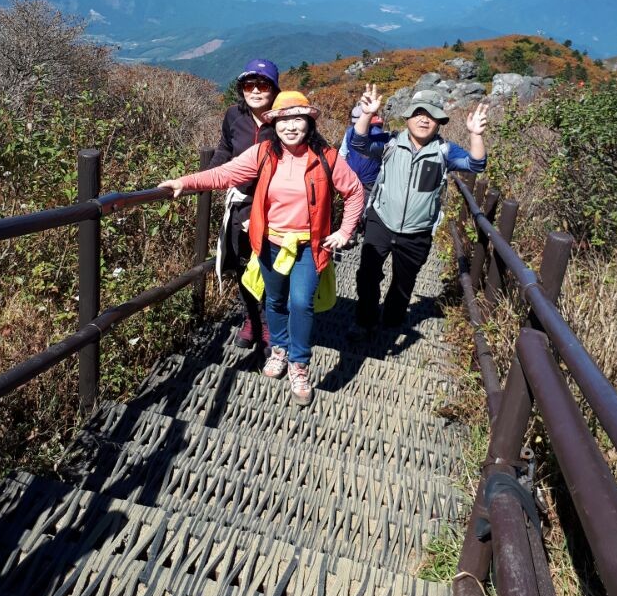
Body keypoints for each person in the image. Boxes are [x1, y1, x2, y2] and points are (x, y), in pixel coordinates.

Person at [159, 90, 364, 406]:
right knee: (275, 300)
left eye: (297, 119)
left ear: (309, 122)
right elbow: (225, 173)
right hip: (270, 243)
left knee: (301, 303)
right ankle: (279, 349)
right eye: (283, 120)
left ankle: (299, 365)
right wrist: (185, 182)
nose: (290, 126)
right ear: (275, 124)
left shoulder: (327, 157)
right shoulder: (264, 153)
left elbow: (354, 192)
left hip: (308, 246)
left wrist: (344, 232)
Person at [350, 84, 488, 337]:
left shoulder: (445, 151)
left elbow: (476, 164)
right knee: (368, 275)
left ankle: (391, 322)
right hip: (381, 220)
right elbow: (359, 143)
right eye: (418, 113)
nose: (424, 119)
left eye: (431, 115)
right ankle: (364, 321)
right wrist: (367, 115)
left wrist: (476, 135)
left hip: (418, 231)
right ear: (408, 117)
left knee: (404, 283)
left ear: (439, 122)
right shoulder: (391, 142)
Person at [209, 59, 280, 350]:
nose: (255, 91)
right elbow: (225, 148)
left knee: (269, 264)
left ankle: (268, 321)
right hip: (241, 204)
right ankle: (250, 317)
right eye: (249, 85)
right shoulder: (233, 116)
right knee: (243, 264)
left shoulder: (283, 119)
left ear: (274, 89)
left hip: (275, 205)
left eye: (263, 85)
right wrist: (206, 178)